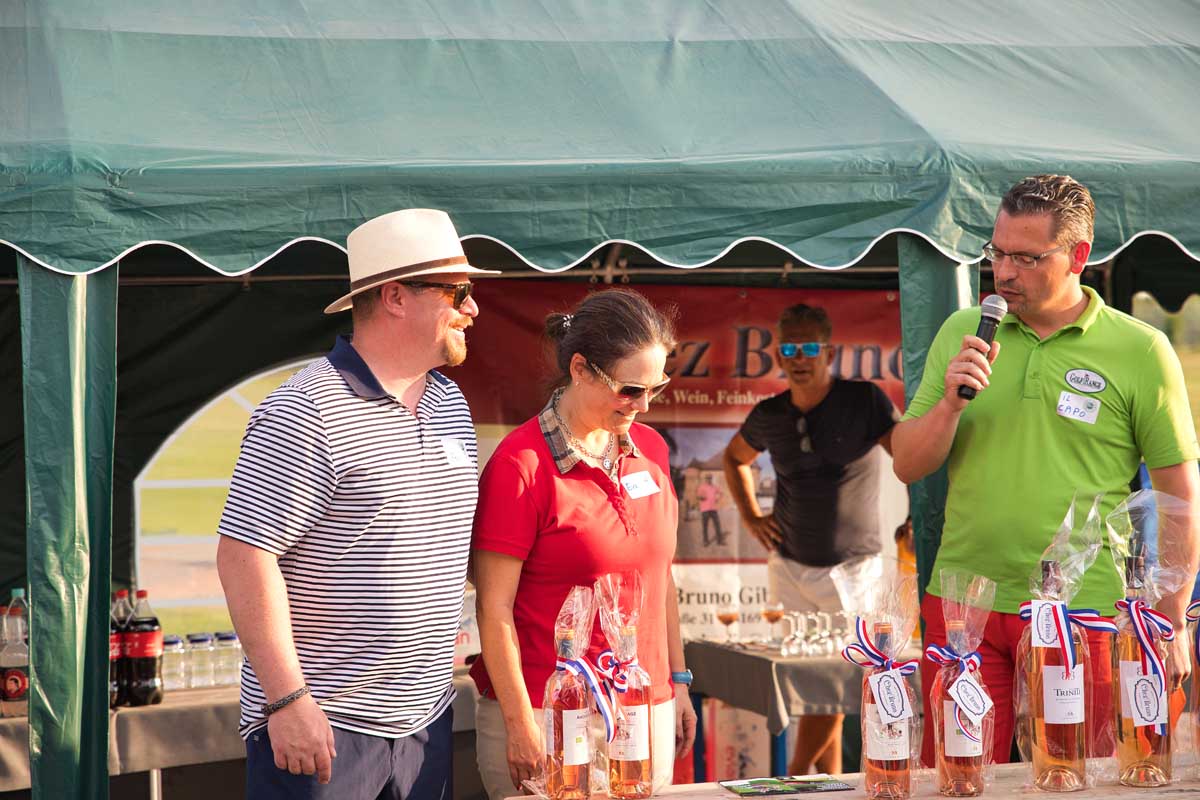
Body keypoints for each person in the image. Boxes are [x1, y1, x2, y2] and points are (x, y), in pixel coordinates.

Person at [891, 175, 1200, 768]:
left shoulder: (1140, 350)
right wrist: (951, 405)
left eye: (1027, 258)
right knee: (959, 779)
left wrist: (1171, 620)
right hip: (964, 609)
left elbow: (1179, 494)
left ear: (1078, 257)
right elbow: (908, 463)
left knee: (1080, 775)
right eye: (997, 252)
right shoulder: (963, 331)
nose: (1004, 273)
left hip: (1087, 613)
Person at [215, 208, 499, 799]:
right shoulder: (304, 409)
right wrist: (287, 700)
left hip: (426, 723)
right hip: (324, 726)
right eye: (458, 292)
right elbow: (244, 556)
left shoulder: (450, 404)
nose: (473, 308)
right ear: (395, 296)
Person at [471, 289, 697, 800]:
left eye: (656, 388)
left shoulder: (652, 450)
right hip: (551, 714)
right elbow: (494, 608)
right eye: (630, 389)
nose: (644, 405)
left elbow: (660, 580)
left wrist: (678, 681)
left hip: (644, 708)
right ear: (580, 369)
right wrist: (519, 724)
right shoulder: (520, 465)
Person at [723, 303, 899, 775]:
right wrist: (752, 516)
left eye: (808, 348)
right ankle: (829, 782)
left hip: (853, 571)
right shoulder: (770, 413)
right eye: (789, 349)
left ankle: (795, 776)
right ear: (778, 355)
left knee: (834, 679)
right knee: (811, 680)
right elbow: (734, 459)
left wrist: (916, 522)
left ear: (829, 352)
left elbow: (909, 458)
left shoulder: (863, 400)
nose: (799, 358)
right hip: (790, 567)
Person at [698, 474, 726, 546]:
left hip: (713, 509)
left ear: (711, 479)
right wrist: (701, 497)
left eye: (710, 478)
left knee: (717, 525)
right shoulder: (702, 487)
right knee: (705, 526)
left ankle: (719, 541)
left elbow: (721, 493)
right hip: (705, 510)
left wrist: (717, 498)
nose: (709, 479)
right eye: (707, 478)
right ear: (705, 479)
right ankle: (705, 541)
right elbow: (699, 496)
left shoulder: (714, 487)